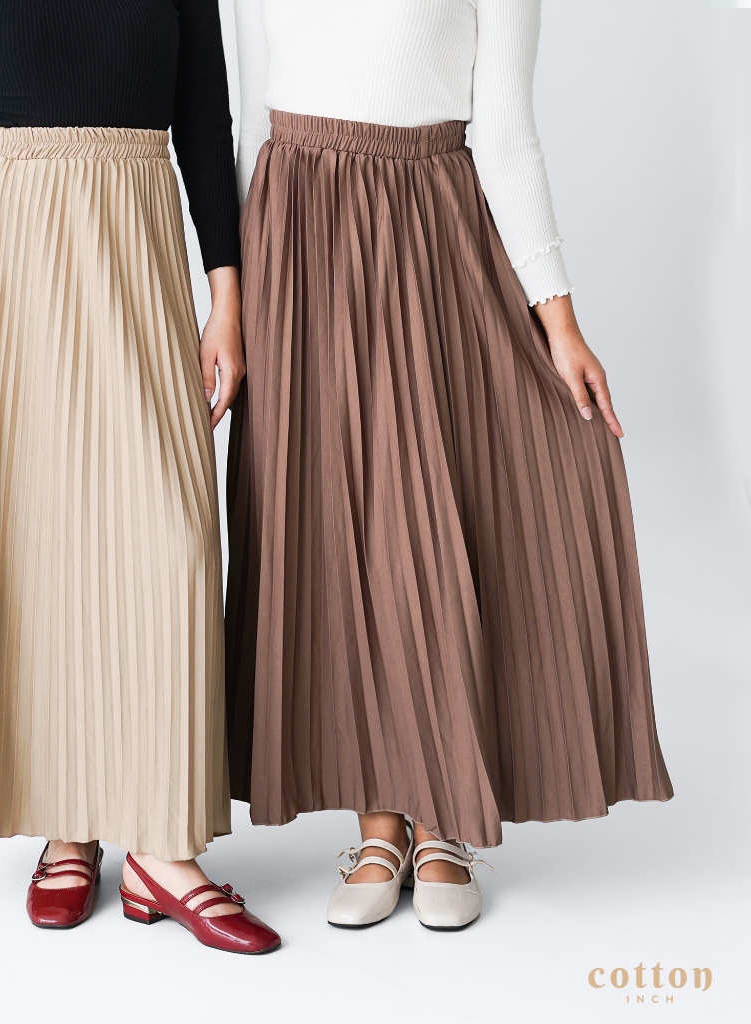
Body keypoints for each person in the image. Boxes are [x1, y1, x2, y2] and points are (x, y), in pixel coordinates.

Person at [225, 0, 672, 931]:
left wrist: (558, 319)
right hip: (294, 242)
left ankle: (442, 823)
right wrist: (225, 298)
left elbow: (505, 132)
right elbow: (241, 116)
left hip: (428, 235)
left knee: (429, 524)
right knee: (333, 531)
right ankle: (377, 824)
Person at [0, 0, 278, 954]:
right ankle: (68, 821)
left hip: (136, 253)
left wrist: (226, 301)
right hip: (5, 260)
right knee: (37, 545)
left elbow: (205, 118)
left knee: (174, 543)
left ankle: (162, 848)